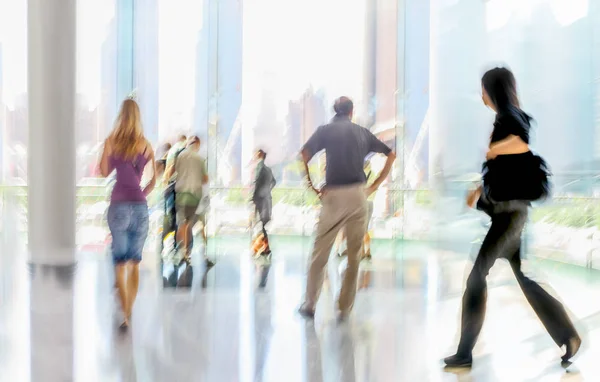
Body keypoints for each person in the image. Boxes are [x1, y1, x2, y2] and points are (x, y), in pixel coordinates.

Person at [444, 67, 581, 367]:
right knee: (524, 278)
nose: (481, 95)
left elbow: (521, 144)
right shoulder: (506, 117)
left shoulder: (509, 116)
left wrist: (494, 151)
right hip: (508, 215)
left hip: (509, 216)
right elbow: (509, 166)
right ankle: (568, 335)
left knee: (477, 277)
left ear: (493, 90)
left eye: (483, 89)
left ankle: (465, 353)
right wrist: (479, 188)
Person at [297, 96, 396, 320]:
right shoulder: (362, 132)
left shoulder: (325, 130)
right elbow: (391, 154)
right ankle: (344, 307)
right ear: (351, 112)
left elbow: (303, 155)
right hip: (358, 194)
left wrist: (312, 186)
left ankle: (310, 304)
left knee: (320, 252)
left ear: (335, 111)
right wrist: (373, 186)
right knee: (354, 255)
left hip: (333, 195)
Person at [99, 99, 156, 329]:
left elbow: (103, 173)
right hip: (140, 207)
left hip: (119, 206)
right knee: (134, 263)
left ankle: (124, 315)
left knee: (120, 263)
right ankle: (128, 311)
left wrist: (106, 149)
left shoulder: (112, 142)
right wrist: (142, 192)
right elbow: (154, 178)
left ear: (120, 116)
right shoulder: (146, 145)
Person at [166, 136, 213, 267]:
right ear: (197, 145)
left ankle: (182, 253)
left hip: (181, 195)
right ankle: (190, 253)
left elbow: (170, 173)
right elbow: (205, 179)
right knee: (190, 225)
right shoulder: (200, 159)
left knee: (182, 224)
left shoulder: (180, 156)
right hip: (195, 196)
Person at [251, 149, 276, 262]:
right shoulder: (268, 169)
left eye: (256, 154)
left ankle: (261, 248)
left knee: (258, 223)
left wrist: (253, 198)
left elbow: (256, 184)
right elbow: (274, 182)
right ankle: (264, 247)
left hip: (260, 199)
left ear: (259, 155)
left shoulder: (259, 167)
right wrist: (267, 190)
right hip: (267, 199)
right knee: (262, 224)